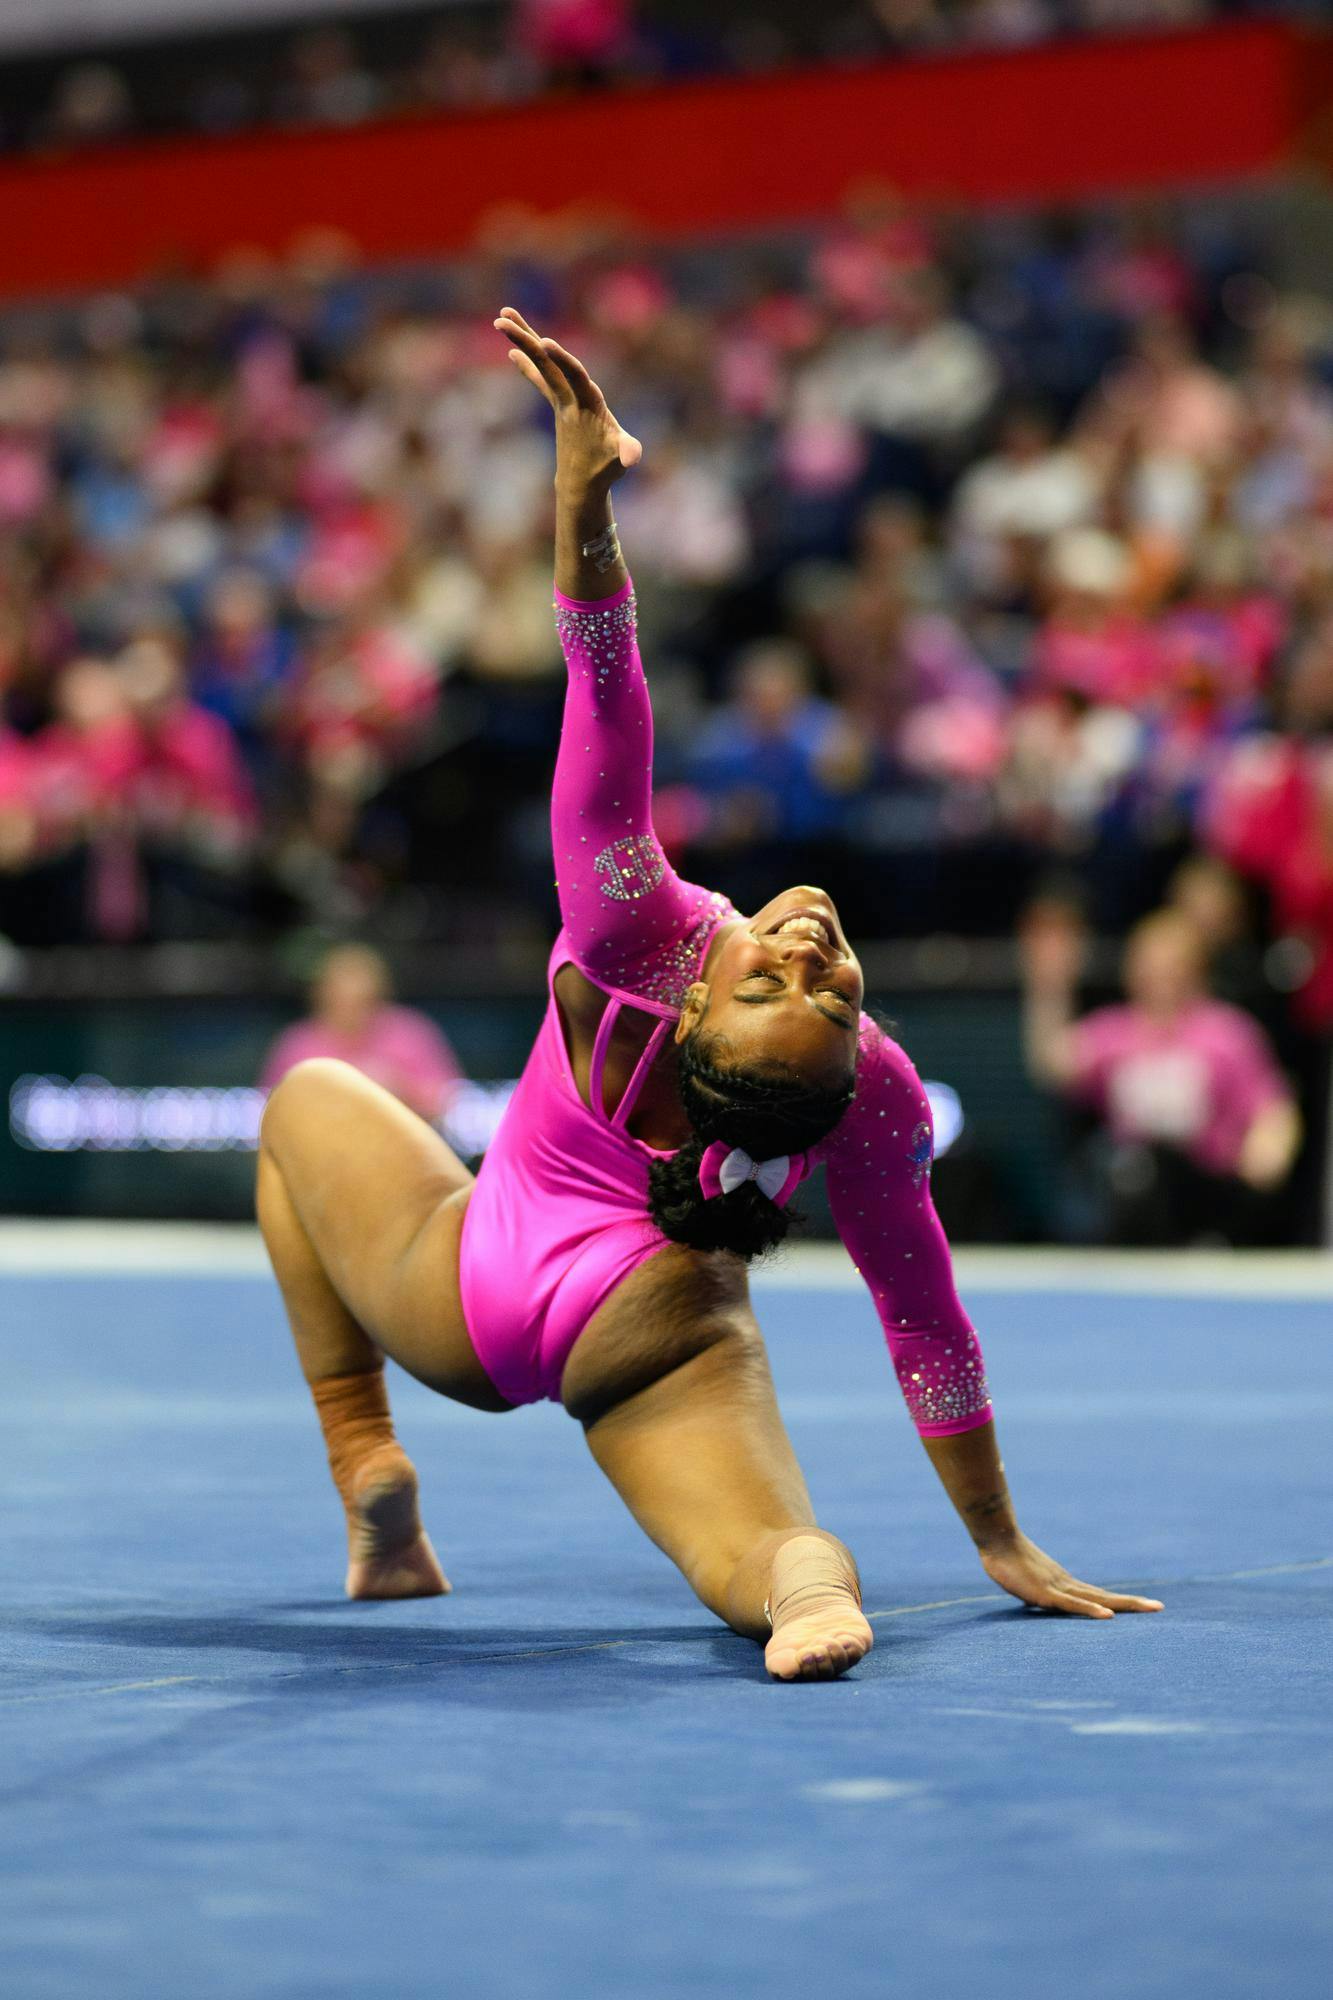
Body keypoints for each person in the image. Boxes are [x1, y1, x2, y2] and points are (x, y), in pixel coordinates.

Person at [257, 309, 1161, 1687]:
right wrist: (994, 1535)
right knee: (771, 1549)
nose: (807, 946)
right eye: (826, 983)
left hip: (469, 1297)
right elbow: (919, 1312)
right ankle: (799, 1595)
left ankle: (368, 1461)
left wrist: (581, 499)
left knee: (309, 1104)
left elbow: (603, 687)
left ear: (692, 1011)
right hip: (662, 1329)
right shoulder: (872, 1098)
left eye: (792, 980)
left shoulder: (631, 928)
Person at [1021, 900, 1300, 1245]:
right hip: (1131, 1190)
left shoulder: (1227, 1032)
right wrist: (1050, 988)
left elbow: (1272, 1106)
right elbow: (1053, 1065)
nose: (1161, 978)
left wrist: (1267, 1150)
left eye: (1172, 967)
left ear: (1195, 970)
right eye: (1151, 967)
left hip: (1204, 1190)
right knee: (1126, 1171)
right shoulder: (1117, 1032)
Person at [261, 944, 462, 1127]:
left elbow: (448, 1101)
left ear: (381, 995)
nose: (352, 1013)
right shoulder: (298, 1043)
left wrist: (400, 1090)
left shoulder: (411, 1033)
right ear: (321, 997)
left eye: (363, 1002)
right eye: (341, 1001)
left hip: (401, 1155)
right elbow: (271, 1114)